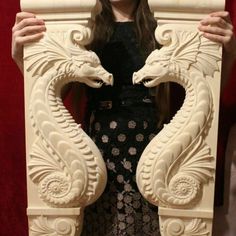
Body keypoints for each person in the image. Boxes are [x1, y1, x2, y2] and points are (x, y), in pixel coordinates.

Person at [12, 0, 236, 235]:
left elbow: (207, 95)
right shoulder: (78, 24)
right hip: (98, 148)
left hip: (157, 144)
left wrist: (227, 54)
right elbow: (50, 91)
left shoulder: (171, 22)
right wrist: (23, 56)